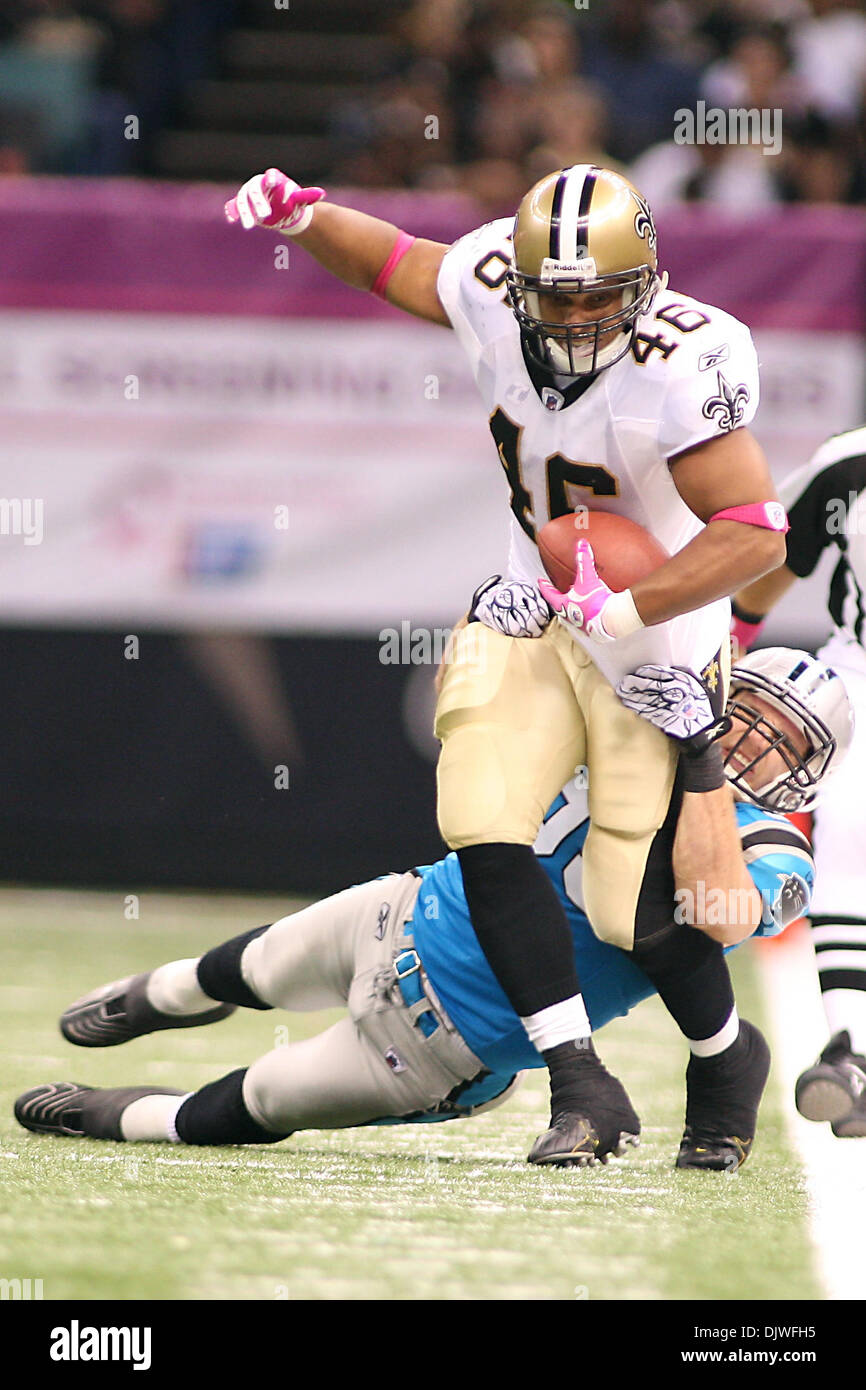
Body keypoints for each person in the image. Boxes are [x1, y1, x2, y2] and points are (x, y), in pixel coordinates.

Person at [220, 163, 788, 1165]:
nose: (574, 320)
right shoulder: (488, 280)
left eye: (598, 297)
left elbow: (752, 534)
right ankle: (578, 1078)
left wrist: (623, 605)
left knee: (630, 908)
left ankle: (722, 1055)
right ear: (517, 283)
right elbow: (398, 263)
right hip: (536, 598)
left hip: (655, 636)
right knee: (480, 812)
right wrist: (308, 218)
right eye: (553, 297)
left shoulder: (681, 362)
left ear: (646, 283)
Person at [15, 650, 851, 1172]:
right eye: (750, 718)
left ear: (809, 771)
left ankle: (119, 1114)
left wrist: (701, 773)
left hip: (434, 1047)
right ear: (716, 698)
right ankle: (160, 995)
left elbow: (725, 919)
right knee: (258, 965)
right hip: (407, 910)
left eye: (785, 740)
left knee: (254, 1102)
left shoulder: (774, 841)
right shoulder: (629, 733)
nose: (755, 745)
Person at [733, 424, 866, 1137]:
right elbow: (771, 551)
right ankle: (854, 1048)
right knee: (847, 828)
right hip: (861, 670)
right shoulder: (849, 465)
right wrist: (731, 636)